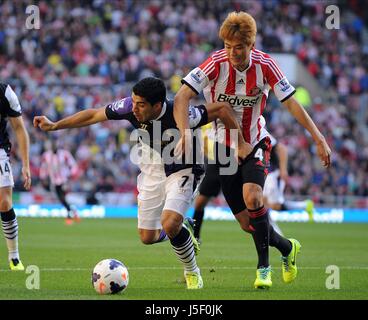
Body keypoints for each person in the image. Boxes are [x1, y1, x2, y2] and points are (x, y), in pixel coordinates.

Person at [34, 77, 249, 290]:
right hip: (153, 172)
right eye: (133, 101)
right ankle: (185, 228)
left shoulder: (182, 114)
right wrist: (55, 125)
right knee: (148, 237)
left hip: (185, 169)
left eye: (141, 104)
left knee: (169, 222)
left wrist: (239, 144)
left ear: (158, 105)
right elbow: (94, 114)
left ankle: (192, 272)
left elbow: (222, 109)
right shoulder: (129, 107)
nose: (134, 109)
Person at [174, 11, 331, 289]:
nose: (232, 53)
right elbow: (182, 95)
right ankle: (287, 248)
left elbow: (292, 103)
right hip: (223, 150)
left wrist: (318, 137)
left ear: (251, 46)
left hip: (256, 141)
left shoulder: (266, 65)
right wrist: (185, 132)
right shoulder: (214, 63)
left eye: (239, 47)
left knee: (254, 197)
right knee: (249, 224)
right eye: (228, 46)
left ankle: (263, 268)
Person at [0, 83, 31, 271]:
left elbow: (19, 128)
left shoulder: (5, 93)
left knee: (4, 202)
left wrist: (26, 163)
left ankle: (14, 257)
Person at [263, 136, 315, 224]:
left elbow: (282, 149)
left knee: (265, 204)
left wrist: (283, 170)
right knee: (273, 205)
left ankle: (274, 235)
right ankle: (305, 205)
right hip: (265, 174)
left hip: (273, 174)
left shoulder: (263, 133)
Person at [39, 139, 81, 225]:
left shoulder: (64, 154)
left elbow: (73, 164)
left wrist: (70, 175)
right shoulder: (46, 155)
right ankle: (74, 212)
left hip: (64, 180)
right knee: (62, 199)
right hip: (54, 181)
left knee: (63, 197)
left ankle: (69, 217)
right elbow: (44, 167)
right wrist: (43, 177)